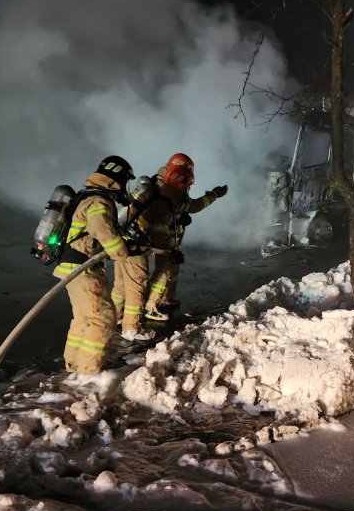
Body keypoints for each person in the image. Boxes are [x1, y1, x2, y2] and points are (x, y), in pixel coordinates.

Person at [53, 155, 135, 373]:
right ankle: (89, 370)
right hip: (83, 269)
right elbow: (102, 229)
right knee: (104, 317)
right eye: (126, 181)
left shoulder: (86, 195)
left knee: (83, 317)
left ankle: (74, 364)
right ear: (118, 179)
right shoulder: (99, 201)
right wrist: (121, 252)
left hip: (71, 266)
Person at [142, 156, 228, 321]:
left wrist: (213, 195)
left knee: (172, 271)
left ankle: (165, 300)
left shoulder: (174, 181)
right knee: (163, 272)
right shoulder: (167, 186)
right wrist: (167, 245)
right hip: (162, 238)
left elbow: (188, 206)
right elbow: (171, 212)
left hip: (171, 237)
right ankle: (150, 306)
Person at [110, 175, 157, 341]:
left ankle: (115, 318)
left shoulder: (129, 202)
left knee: (120, 288)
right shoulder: (150, 205)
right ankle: (132, 329)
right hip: (135, 253)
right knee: (137, 289)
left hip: (121, 249)